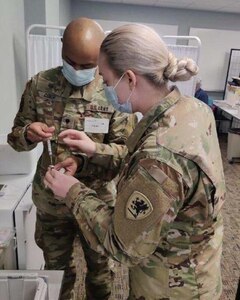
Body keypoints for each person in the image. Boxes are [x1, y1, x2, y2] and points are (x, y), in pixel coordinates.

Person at [44, 23, 226, 299]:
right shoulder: (193, 110)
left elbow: (123, 245)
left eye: (105, 81)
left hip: (170, 288)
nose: (104, 89)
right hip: (199, 270)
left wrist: (73, 191)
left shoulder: (159, 158)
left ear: (129, 79)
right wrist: (94, 149)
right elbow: (144, 162)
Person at [7, 18, 137, 300]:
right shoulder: (40, 84)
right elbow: (15, 138)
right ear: (62, 50)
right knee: (56, 272)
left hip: (96, 202)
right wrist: (28, 133)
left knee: (101, 272)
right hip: (52, 203)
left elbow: (124, 155)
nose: (77, 70)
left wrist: (85, 161)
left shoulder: (114, 91)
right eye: (71, 62)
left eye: (87, 65)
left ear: (100, 59)